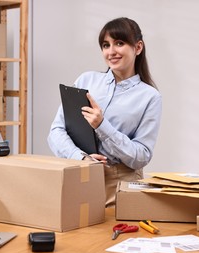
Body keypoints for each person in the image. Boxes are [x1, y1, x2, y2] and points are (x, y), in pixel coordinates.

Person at [48, 17, 162, 207]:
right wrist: (82, 158)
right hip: (79, 175)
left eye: (119, 43)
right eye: (105, 45)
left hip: (121, 185)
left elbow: (142, 156)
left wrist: (102, 126)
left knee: (112, 237)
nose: (111, 52)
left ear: (138, 47)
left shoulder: (150, 97)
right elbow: (56, 131)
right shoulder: (86, 81)